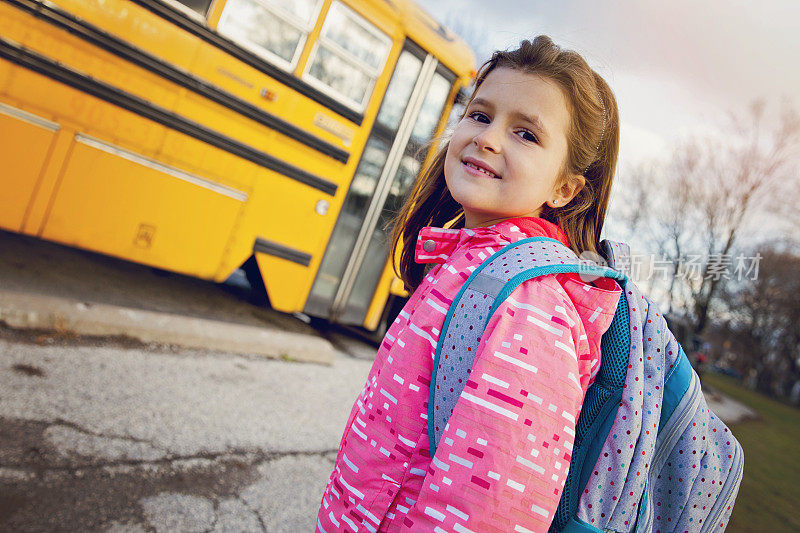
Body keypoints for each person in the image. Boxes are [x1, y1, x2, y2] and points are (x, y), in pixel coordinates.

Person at [317, 36, 622, 532]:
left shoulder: (529, 302)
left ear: (564, 188)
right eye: (480, 115)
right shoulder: (469, 263)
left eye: (526, 134)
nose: (487, 137)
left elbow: (490, 506)